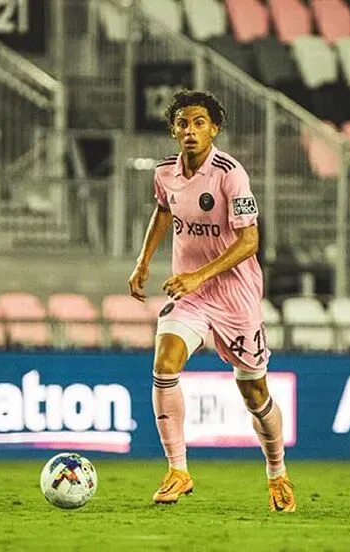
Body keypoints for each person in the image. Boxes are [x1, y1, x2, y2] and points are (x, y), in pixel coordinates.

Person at [128, 89, 296, 512]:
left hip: (235, 297)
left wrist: (198, 275)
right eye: (182, 123)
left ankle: (277, 473)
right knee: (164, 364)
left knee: (255, 393)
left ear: (214, 128)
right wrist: (143, 261)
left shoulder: (230, 173)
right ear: (173, 130)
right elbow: (164, 211)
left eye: (199, 122)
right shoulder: (165, 172)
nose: (190, 130)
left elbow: (250, 241)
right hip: (191, 296)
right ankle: (177, 471)